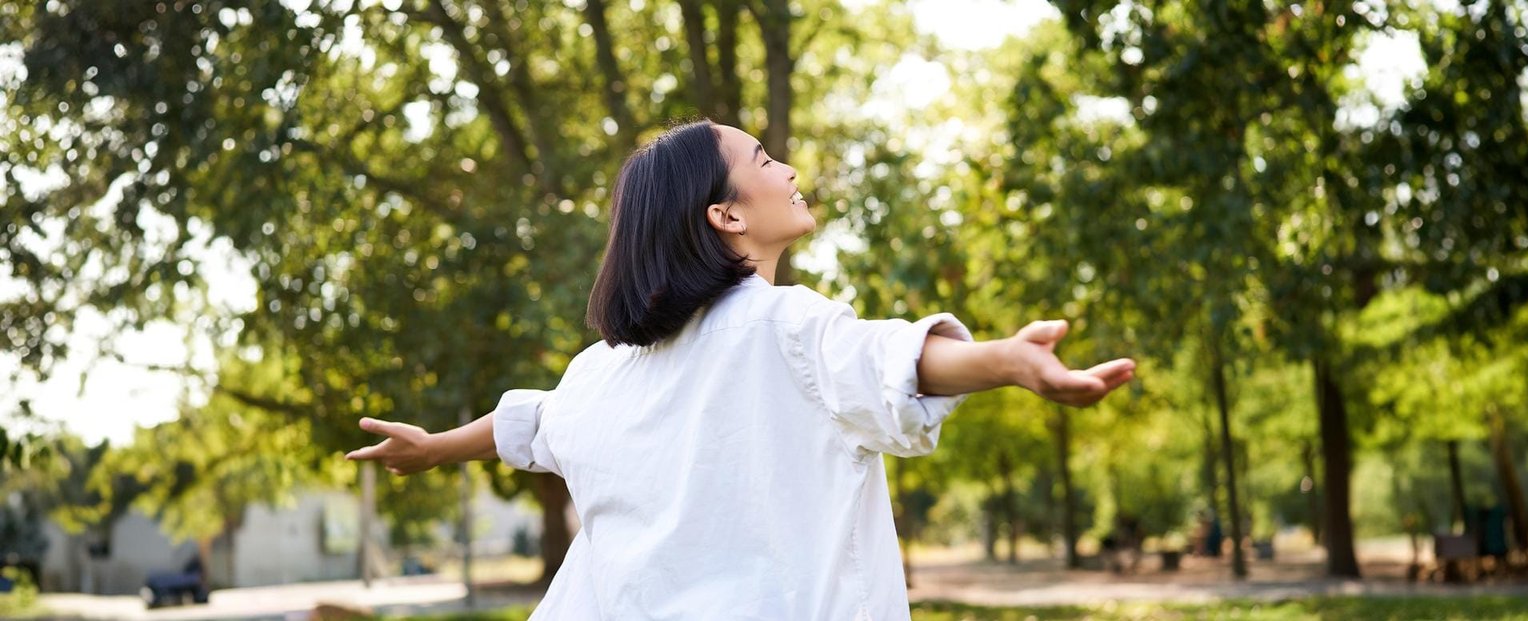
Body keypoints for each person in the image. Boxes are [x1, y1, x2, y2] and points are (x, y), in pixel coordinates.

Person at [345, 120, 1135, 620]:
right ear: (725, 215)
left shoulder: (600, 373)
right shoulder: (783, 327)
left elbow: (529, 426)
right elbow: (887, 364)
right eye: (762, 157)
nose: (786, 167)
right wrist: (1005, 361)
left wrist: (435, 447)